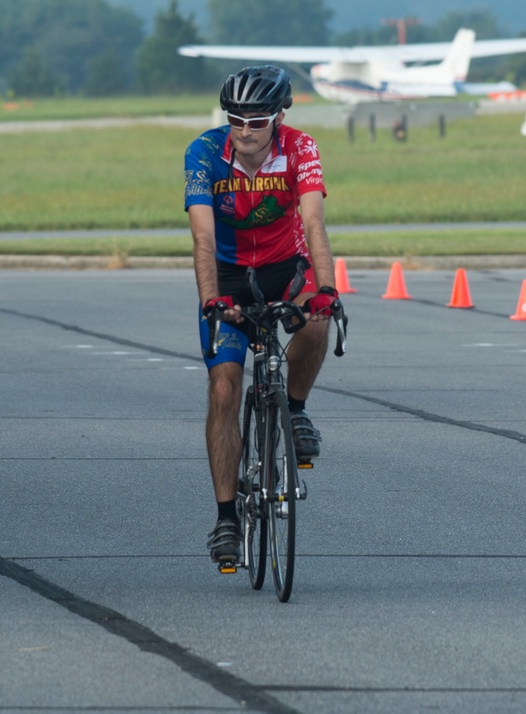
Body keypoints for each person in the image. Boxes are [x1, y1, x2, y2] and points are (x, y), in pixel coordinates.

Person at [184, 65, 344, 565]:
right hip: (229, 276)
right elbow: (203, 237)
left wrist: (326, 288)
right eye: (236, 119)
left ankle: (294, 412)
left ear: (280, 114)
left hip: (285, 267)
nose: (246, 131)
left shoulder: (301, 148)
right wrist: (212, 298)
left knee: (317, 318)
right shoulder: (205, 152)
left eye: (257, 121)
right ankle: (227, 518)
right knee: (225, 387)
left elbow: (314, 223)